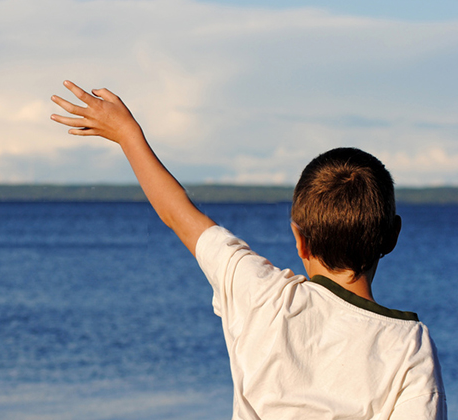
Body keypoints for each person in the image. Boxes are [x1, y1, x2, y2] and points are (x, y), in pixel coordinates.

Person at [50, 80, 447, 419]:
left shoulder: (261, 295)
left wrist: (128, 135)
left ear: (299, 239)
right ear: (392, 237)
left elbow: (178, 214)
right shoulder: (409, 347)